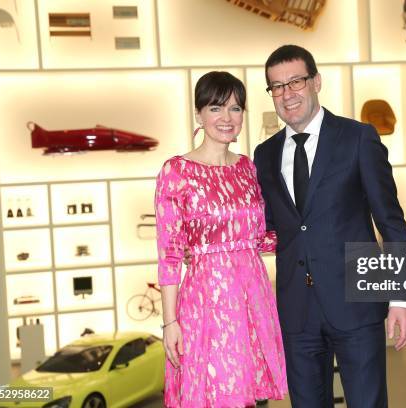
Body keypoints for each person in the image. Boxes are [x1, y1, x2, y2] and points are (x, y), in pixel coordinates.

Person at [251, 45, 406, 407]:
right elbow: (265, 226)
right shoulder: (264, 155)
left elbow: (391, 223)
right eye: (276, 86)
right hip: (297, 314)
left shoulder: (358, 138)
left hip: (357, 305)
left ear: (316, 82)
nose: (287, 93)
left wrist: (401, 299)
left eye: (295, 81)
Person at [155, 71, 287, 407]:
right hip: (207, 303)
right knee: (215, 394)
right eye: (216, 108)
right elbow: (170, 255)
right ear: (198, 114)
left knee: (250, 398)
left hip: (253, 297)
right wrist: (170, 322)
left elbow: (261, 237)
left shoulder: (247, 168)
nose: (227, 118)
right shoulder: (176, 171)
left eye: (235, 108)